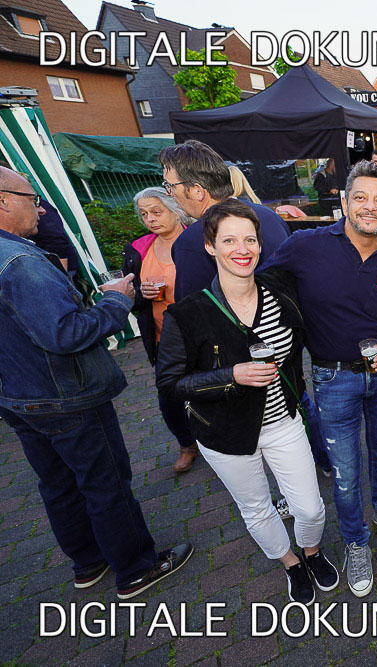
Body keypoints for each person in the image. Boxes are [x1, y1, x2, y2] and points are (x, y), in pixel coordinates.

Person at [0, 167, 192, 598]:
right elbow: (66, 333)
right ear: (3, 201)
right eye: (32, 199)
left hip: (18, 396)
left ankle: (88, 562)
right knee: (105, 483)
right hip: (65, 397)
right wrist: (117, 301)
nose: (41, 209)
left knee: (58, 485)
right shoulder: (20, 262)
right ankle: (137, 568)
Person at [156, 199, 338, 604]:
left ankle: (311, 551)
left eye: (250, 240)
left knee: (309, 508)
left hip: (283, 421)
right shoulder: (187, 314)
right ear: (210, 246)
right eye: (229, 240)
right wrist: (230, 376)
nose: (242, 249)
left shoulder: (281, 290)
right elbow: (169, 383)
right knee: (256, 508)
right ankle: (290, 562)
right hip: (225, 433)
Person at [260, 160, 377, 598]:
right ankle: (355, 541)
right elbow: (258, 283)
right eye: (361, 197)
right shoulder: (306, 246)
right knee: (346, 473)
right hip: (333, 381)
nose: (370, 207)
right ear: (345, 202)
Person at [121, 187, 199, 472]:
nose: (150, 219)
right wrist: (141, 294)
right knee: (169, 398)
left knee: (211, 389)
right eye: (144, 214)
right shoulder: (138, 249)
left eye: (156, 211)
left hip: (201, 335)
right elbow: (129, 294)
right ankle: (187, 444)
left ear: (175, 209)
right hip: (163, 338)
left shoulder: (198, 239)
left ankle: (221, 440)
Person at [158, 140, 290, 301]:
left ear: (198, 191)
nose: (169, 193)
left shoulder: (192, 240)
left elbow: (191, 309)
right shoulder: (270, 216)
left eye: (170, 186)